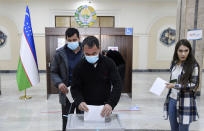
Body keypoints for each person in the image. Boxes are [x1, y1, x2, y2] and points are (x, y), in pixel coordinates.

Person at [71, 36, 122, 117]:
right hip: (85, 108)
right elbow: (74, 88)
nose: (91, 56)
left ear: (99, 49)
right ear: (83, 51)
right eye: (87, 54)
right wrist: (79, 101)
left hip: (105, 107)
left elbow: (117, 85)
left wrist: (111, 103)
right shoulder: (79, 66)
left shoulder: (109, 63)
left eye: (94, 53)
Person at [164, 39, 200, 131]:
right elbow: (173, 79)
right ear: (176, 51)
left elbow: (193, 85)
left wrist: (175, 86)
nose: (183, 54)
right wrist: (170, 84)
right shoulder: (174, 63)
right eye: (180, 51)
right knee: (174, 128)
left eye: (186, 51)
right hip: (172, 99)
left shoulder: (193, 65)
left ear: (189, 51)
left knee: (183, 129)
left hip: (185, 101)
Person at [50, 28, 83, 131]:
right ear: (66, 39)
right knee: (66, 120)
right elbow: (53, 72)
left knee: (82, 120)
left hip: (83, 94)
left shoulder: (87, 51)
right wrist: (59, 83)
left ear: (79, 38)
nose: (72, 42)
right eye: (69, 40)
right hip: (67, 93)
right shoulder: (60, 53)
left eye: (74, 40)